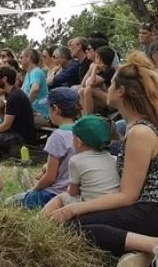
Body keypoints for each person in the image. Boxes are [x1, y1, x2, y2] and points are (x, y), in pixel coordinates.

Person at [47, 53, 158, 265]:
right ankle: (139, 253)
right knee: (81, 222)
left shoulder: (140, 132)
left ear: (121, 91)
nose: (107, 88)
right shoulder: (136, 129)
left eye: (111, 84)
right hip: (145, 209)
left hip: (151, 211)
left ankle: (153, 246)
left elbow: (128, 196)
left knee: (75, 226)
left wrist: (75, 208)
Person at [43, 114, 120, 218]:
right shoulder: (114, 159)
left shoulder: (76, 161)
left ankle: (40, 219)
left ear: (78, 142)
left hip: (87, 205)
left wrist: (68, 189)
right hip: (112, 206)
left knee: (61, 197)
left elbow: (73, 193)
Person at [12, 88, 79, 209]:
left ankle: (32, 186)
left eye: (48, 108)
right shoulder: (82, 132)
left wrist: (33, 191)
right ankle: (34, 183)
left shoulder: (57, 136)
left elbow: (50, 178)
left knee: (10, 201)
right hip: (74, 194)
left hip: (54, 195)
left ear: (55, 109)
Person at [0, 65, 36, 155]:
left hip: (20, 136)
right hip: (14, 132)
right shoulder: (12, 93)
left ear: (5, 79)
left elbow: (6, 124)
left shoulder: (14, 96)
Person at [80, 46, 117, 116]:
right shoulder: (100, 70)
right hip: (103, 97)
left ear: (100, 58)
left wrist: (94, 68)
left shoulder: (110, 70)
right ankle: (84, 116)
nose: (95, 59)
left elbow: (91, 83)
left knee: (89, 90)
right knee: (81, 90)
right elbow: (85, 84)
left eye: (96, 57)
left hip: (111, 99)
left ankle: (88, 117)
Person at [21, 48, 50, 126]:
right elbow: (21, 93)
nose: (20, 60)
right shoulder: (28, 74)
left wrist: (25, 106)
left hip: (40, 114)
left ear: (28, 58)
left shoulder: (36, 72)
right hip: (32, 112)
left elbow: (35, 89)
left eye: (21, 57)